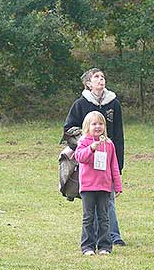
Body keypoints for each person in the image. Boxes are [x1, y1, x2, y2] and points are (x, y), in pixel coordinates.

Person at [62, 67, 126, 246]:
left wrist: (118, 164)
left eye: (102, 76)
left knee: (108, 199)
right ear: (88, 83)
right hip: (88, 161)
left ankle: (114, 236)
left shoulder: (114, 104)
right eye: (96, 77)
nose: (100, 79)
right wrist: (84, 144)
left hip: (108, 159)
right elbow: (68, 129)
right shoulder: (80, 104)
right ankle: (98, 237)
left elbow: (119, 136)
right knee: (93, 203)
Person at [75, 111, 122, 255]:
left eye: (100, 124)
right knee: (88, 217)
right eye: (94, 124)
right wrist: (91, 148)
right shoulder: (83, 142)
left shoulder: (109, 144)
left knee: (104, 217)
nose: (97, 126)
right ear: (87, 126)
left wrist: (117, 185)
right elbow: (79, 157)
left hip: (104, 186)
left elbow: (113, 166)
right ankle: (87, 246)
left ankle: (105, 246)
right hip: (88, 187)